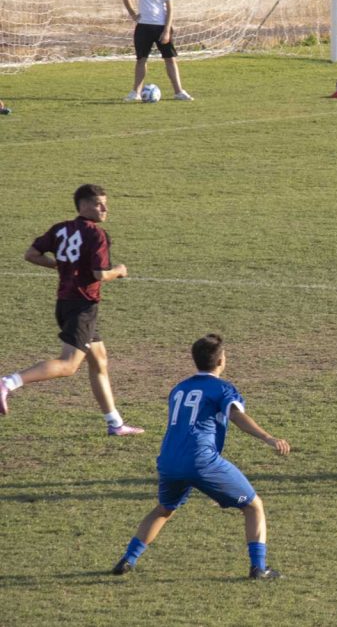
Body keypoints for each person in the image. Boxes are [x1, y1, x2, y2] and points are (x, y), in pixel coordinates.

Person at [113, 333, 291, 579]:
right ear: (221, 361)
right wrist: (268, 437)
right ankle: (259, 568)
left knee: (164, 509)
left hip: (169, 459)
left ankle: (127, 559)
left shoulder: (179, 388)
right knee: (253, 506)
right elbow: (236, 416)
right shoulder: (223, 388)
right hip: (201, 460)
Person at [0, 184, 143, 435]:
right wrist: (119, 271)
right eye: (99, 204)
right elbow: (99, 274)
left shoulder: (60, 228)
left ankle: (115, 423)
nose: (105, 208)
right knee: (68, 365)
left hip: (66, 303)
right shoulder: (96, 235)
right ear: (84, 205)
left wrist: (59, 266)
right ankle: (7, 383)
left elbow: (31, 254)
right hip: (82, 306)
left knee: (99, 361)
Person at [122, 0, 193, 102]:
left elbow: (170, 8)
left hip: (161, 26)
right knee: (141, 59)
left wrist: (167, 30)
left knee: (170, 59)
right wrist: (133, 15)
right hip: (143, 26)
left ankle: (179, 92)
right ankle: (136, 93)